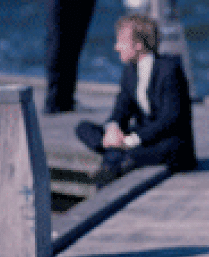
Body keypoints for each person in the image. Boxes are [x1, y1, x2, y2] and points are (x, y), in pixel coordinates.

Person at [76, 14, 197, 187]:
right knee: (83, 128)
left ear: (138, 45)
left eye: (121, 42)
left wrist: (131, 140)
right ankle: (112, 150)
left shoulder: (169, 69)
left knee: (132, 154)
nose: (116, 47)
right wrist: (113, 130)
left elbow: (170, 120)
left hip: (167, 140)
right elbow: (120, 111)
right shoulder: (130, 72)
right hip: (139, 139)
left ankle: (111, 164)